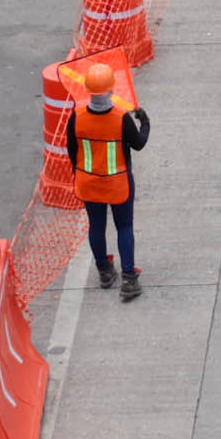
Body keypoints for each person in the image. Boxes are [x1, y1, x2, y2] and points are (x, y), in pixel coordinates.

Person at [65, 62, 151, 301]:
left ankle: (104, 271)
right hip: (118, 184)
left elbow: (71, 149)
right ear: (112, 89)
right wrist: (145, 122)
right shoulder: (120, 118)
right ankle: (128, 279)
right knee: (124, 227)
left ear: (89, 91)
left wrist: (80, 171)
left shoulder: (77, 117)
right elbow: (138, 143)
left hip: (89, 182)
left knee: (96, 226)